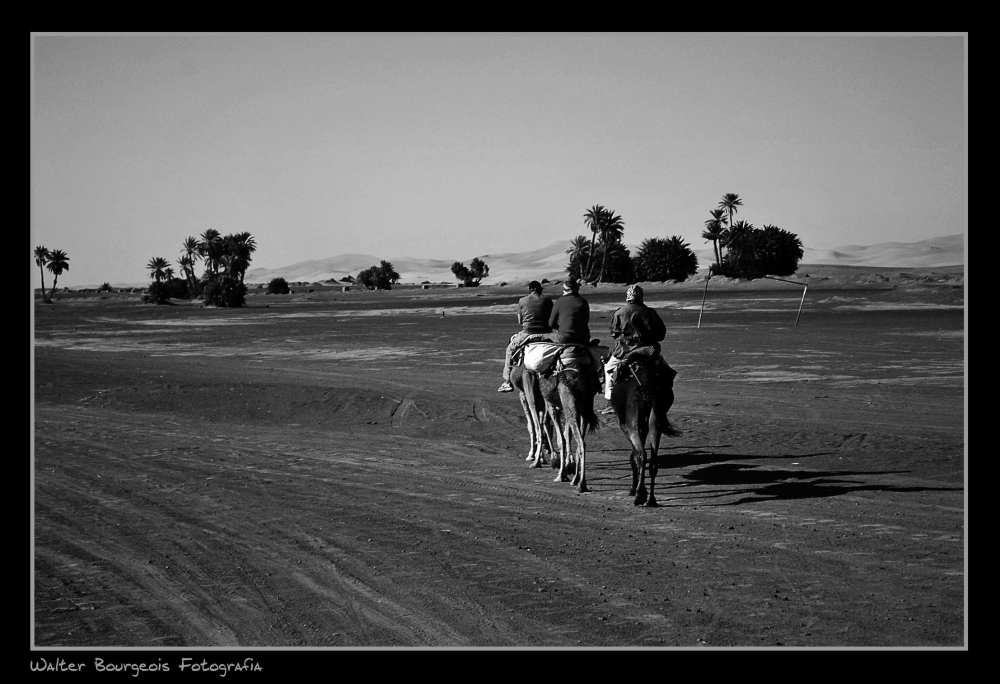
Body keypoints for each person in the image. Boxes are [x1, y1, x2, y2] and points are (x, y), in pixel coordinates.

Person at [602, 284, 674, 405]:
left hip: (624, 351)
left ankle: (610, 401)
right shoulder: (650, 312)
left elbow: (613, 334)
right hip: (649, 351)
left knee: (608, 369)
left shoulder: (620, 312)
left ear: (627, 297)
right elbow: (661, 335)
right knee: (667, 372)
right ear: (641, 297)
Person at [497, 280, 553, 392]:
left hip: (527, 333)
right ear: (540, 289)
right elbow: (552, 319)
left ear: (530, 290)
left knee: (510, 350)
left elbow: (520, 321)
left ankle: (507, 381)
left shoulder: (522, 300)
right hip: (547, 333)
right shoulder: (547, 300)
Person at [547, 277, 591, 345]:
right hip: (583, 337)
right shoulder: (583, 302)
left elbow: (551, 323)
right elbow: (586, 320)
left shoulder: (559, 301)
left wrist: (559, 328)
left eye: (563, 289)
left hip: (565, 337)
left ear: (566, 290)